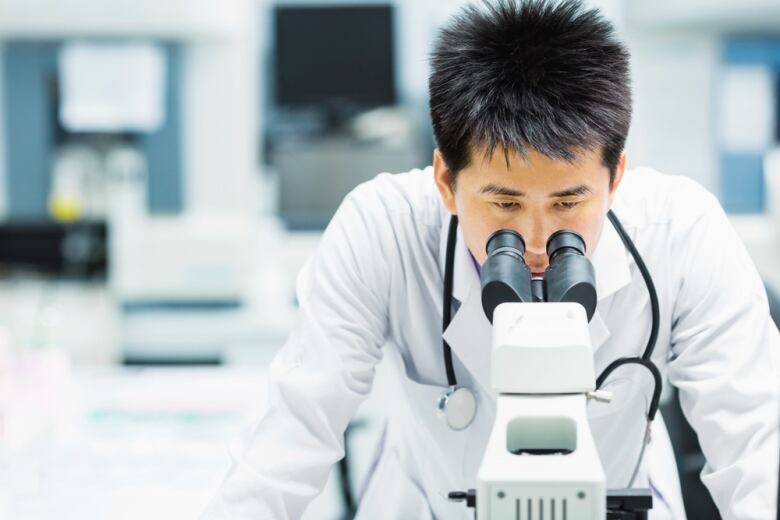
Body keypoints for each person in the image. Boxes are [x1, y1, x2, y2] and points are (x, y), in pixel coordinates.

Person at [203, 1, 780, 518]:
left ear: (616, 177)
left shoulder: (682, 232)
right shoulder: (383, 229)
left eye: (569, 202)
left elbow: (756, 442)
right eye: (504, 203)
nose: (535, 237)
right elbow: (292, 432)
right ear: (446, 182)